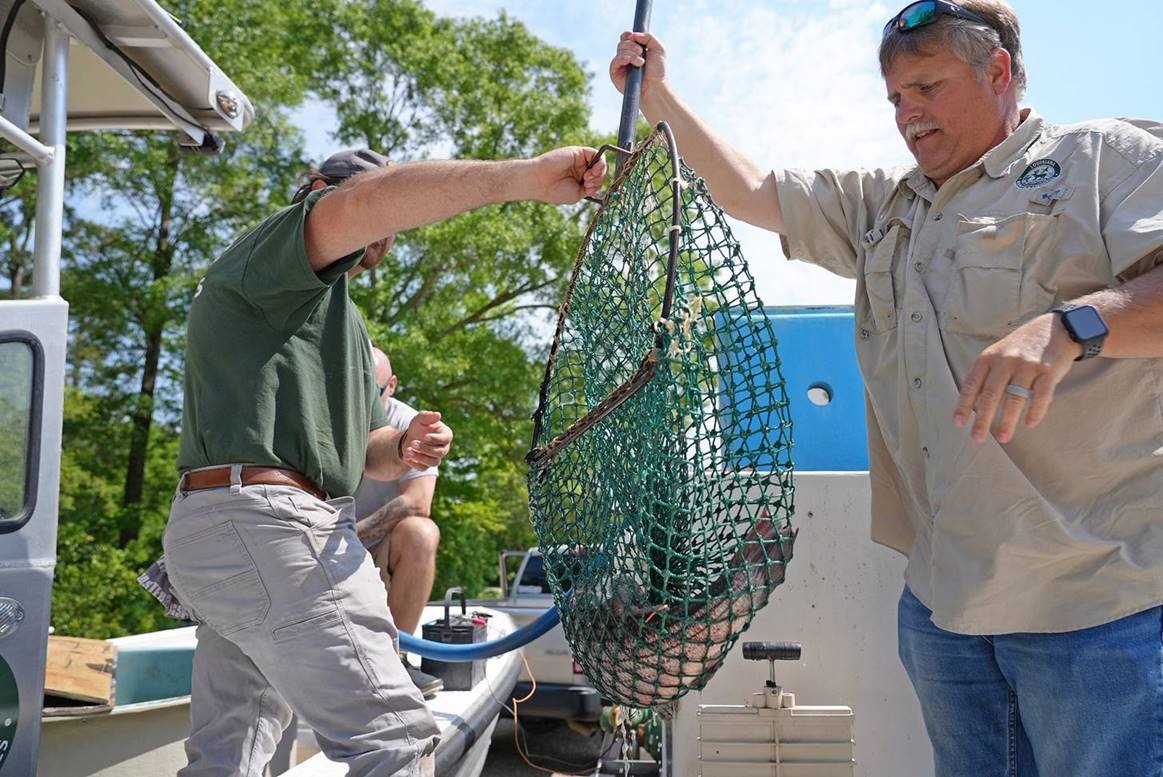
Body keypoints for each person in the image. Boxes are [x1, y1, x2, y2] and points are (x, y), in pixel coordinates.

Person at [610, 2, 1163, 775]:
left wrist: (1071, 327)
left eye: (927, 87)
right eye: (896, 98)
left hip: (1100, 609)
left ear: (997, 71)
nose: (908, 113)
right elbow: (752, 189)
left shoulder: (1110, 160)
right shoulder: (884, 206)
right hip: (943, 611)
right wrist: (659, 94)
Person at [155, 145, 606, 777]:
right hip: (269, 529)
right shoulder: (270, 254)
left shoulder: (337, 322)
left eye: (390, 224)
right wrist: (523, 179)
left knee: (234, 757)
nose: (382, 231)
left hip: (228, 537)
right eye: (372, 202)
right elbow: (365, 204)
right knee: (393, 742)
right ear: (316, 188)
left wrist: (404, 447)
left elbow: (363, 453)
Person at [353, 346, 444, 699]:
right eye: (353, 390)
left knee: (421, 533)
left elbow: (419, 503)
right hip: (318, 537)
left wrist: (354, 534)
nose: (362, 405)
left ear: (391, 386)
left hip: (372, 545)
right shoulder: (324, 417)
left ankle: (396, 659)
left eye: (371, 394)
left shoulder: (410, 423)